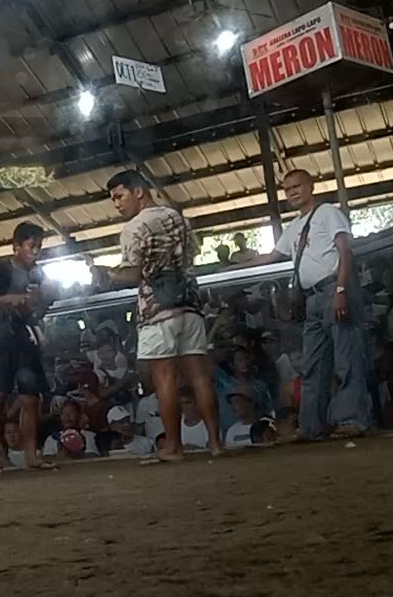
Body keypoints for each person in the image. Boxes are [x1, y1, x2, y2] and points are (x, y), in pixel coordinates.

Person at [234, 169, 375, 440]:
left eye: (297, 186)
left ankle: (353, 420)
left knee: (347, 359)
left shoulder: (327, 213)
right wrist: (233, 268)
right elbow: (271, 257)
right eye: (288, 189)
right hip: (312, 298)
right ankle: (311, 426)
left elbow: (345, 251)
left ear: (311, 186)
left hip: (332, 287)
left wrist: (341, 290)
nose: (292, 192)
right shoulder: (293, 227)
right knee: (313, 364)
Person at [93, 170, 224, 459]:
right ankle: (216, 443)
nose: (117, 204)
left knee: (164, 379)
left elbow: (133, 274)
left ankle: (174, 446)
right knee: (199, 376)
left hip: (157, 309)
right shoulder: (178, 218)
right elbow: (192, 254)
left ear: (138, 191)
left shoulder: (134, 227)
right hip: (190, 303)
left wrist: (108, 274)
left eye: (119, 196)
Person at [0, 221, 57, 472]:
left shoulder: (39, 274)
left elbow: (42, 304)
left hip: (27, 338)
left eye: (39, 246)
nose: (36, 251)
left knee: (30, 398)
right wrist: (10, 299)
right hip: (1, 339)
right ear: (17, 246)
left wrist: (40, 299)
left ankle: (30, 454)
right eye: (31, 245)